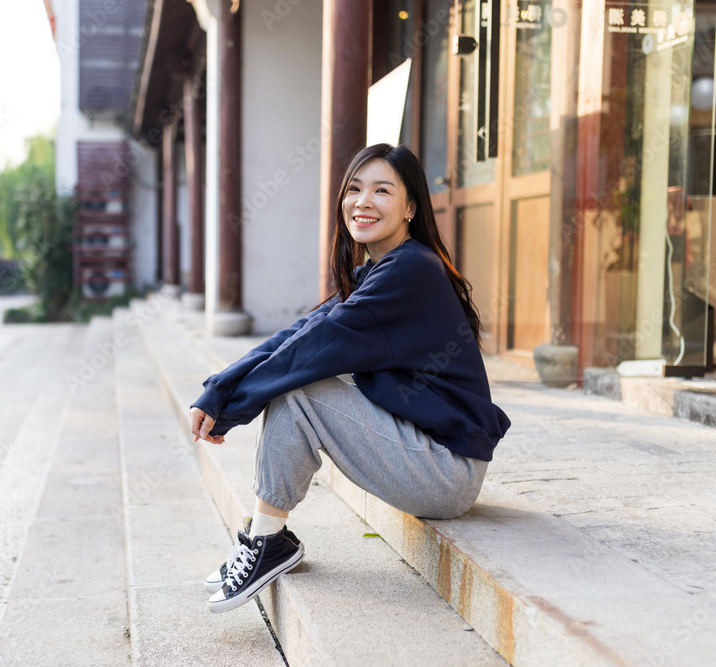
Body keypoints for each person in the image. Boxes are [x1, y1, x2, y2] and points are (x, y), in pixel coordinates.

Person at [188, 143, 511, 614]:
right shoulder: (376, 269)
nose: (363, 201)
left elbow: (313, 348)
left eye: (382, 190)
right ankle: (267, 540)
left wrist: (232, 406)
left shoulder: (413, 270)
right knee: (296, 380)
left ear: (410, 208)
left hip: (446, 472)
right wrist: (220, 389)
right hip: (422, 451)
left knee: (299, 387)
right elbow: (302, 331)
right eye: (355, 189)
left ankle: (267, 541)